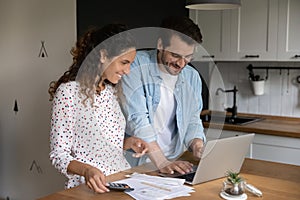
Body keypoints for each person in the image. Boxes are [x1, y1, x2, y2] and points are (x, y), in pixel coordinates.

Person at [48, 24, 148, 193]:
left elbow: (96, 146)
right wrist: (87, 170)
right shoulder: (68, 93)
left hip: (120, 181)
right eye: (124, 62)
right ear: (103, 55)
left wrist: (126, 143)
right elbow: (58, 155)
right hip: (88, 189)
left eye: (130, 64)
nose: (128, 71)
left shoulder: (111, 91)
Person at [120, 16, 206, 175]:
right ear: (160, 45)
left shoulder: (192, 77)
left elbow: (193, 119)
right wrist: (161, 162)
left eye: (188, 57)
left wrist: (198, 145)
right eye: (175, 55)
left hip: (172, 163)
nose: (181, 63)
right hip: (135, 164)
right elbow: (137, 120)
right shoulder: (135, 65)